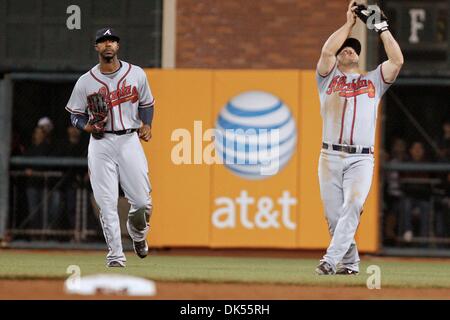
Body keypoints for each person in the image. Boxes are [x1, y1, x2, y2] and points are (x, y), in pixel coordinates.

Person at [315, 1, 403, 275]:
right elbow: (327, 50)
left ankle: (330, 260)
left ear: (359, 56)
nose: (348, 49)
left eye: (353, 48)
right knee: (334, 217)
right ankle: (351, 262)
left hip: (361, 158)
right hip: (329, 156)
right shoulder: (327, 79)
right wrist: (349, 24)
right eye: (345, 48)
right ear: (340, 57)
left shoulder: (373, 80)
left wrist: (383, 29)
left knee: (353, 205)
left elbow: (397, 61)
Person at [65, 27, 155, 267]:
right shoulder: (85, 81)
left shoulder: (136, 74)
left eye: (112, 41)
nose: (107, 44)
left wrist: (147, 124)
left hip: (128, 140)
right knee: (107, 203)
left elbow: (147, 103)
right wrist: (88, 128)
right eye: (103, 41)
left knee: (143, 202)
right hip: (100, 143)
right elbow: (74, 116)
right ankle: (115, 255)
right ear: (96, 47)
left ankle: (137, 235)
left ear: (118, 46)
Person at [398, 141, 432, 242]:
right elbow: (402, 179)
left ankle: (423, 239)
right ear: (411, 151)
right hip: (409, 196)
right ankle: (408, 231)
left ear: (423, 151)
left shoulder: (428, 163)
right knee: (406, 204)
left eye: (419, 149)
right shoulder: (406, 162)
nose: (417, 151)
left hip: (423, 197)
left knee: (426, 207)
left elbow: (431, 180)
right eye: (415, 149)